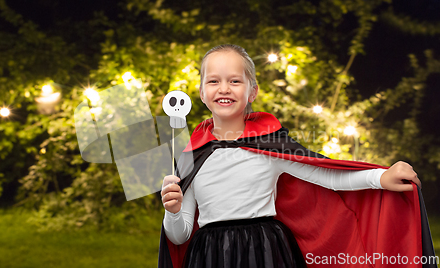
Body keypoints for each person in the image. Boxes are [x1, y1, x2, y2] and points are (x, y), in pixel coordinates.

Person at [158, 44, 433, 268]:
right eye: (214, 81)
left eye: (235, 81)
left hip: (265, 250)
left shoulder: (270, 145)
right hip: (211, 256)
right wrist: (172, 212)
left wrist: (381, 177)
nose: (224, 88)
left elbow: (327, 175)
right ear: (202, 93)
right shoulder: (190, 158)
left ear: (252, 91)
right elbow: (179, 234)